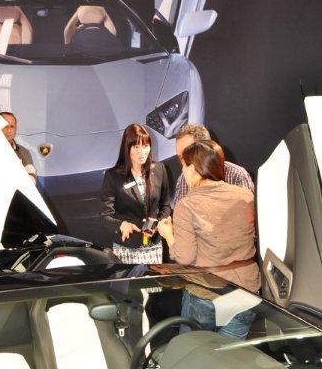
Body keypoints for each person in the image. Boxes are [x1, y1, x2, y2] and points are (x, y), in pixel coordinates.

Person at [157, 140, 260, 339]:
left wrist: (168, 234)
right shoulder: (246, 195)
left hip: (206, 293)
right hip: (246, 290)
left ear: (192, 169)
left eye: (184, 166)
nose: (183, 172)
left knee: (196, 352)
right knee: (232, 354)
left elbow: (185, 257)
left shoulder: (187, 205)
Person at [101, 123, 170, 263]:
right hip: (127, 248)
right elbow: (105, 216)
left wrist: (157, 224)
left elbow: (166, 205)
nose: (142, 152)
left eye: (145, 146)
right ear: (127, 148)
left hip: (154, 246)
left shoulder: (159, 169)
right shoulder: (113, 176)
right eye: (136, 147)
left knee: (153, 278)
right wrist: (121, 224)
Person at [173, 123, 254, 206]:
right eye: (180, 157)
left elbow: (248, 210)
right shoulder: (182, 180)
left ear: (205, 147)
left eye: (188, 153)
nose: (184, 162)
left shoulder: (236, 175)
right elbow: (179, 212)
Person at [0, 111, 37, 183]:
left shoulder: (24, 152)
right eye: (5, 126)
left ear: (16, 129)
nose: (9, 131)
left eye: (12, 127)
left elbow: (31, 179)